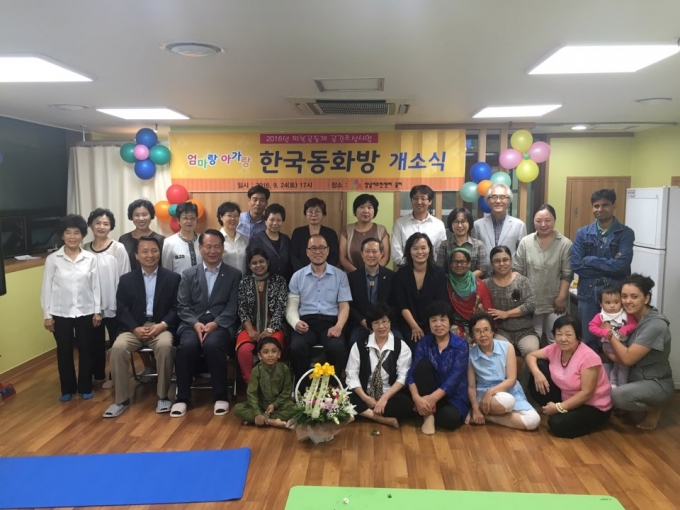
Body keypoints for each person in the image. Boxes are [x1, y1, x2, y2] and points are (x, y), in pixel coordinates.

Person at [103, 236, 181, 418]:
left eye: (154, 250)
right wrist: (134, 328)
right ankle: (121, 400)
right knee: (118, 348)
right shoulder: (126, 279)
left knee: (165, 346)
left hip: (161, 327)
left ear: (159, 253)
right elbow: (121, 308)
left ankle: (163, 396)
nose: (150, 255)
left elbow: (177, 307)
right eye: (145, 251)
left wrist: (162, 325)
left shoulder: (172, 278)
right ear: (136, 255)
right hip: (134, 327)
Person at [171, 229, 242, 417]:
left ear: (223, 248)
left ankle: (221, 395)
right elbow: (182, 305)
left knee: (212, 344)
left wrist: (216, 324)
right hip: (192, 323)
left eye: (217, 246)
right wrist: (195, 324)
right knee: (186, 346)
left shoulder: (234, 274)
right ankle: (182, 398)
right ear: (200, 248)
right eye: (208, 247)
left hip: (221, 324)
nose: (213, 251)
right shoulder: (188, 274)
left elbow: (232, 307)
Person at [41, 214, 101, 401]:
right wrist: (47, 315)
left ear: (82, 235)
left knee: (86, 349)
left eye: (76, 233)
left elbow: (96, 286)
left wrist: (97, 310)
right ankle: (67, 389)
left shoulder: (90, 258)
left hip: (86, 311)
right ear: (62, 235)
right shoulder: (53, 259)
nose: (72, 237)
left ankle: (85, 387)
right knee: (64, 351)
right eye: (68, 232)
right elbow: (46, 288)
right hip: (60, 312)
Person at [526, 315, 612, 439]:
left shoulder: (589, 357)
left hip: (593, 405)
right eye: (559, 334)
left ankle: (568, 415)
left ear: (578, 336)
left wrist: (559, 407)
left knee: (555, 424)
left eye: (568, 335)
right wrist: (537, 374)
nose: (563, 339)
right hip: (566, 396)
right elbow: (531, 356)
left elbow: (587, 393)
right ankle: (556, 410)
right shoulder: (556, 348)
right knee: (540, 365)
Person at [571, 189, 635, 351]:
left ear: (614, 205)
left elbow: (622, 265)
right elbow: (576, 265)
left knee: (616, 338)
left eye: (605, 205)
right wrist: (610, 266)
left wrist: (590, 260)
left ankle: (612, 368)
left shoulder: (625, 233)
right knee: (588, 340)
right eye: (596, 206)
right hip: (588, 293)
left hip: (615, 294)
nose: (600, 209)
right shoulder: (583, 233)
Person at [608, 275, 673, 430]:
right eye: (624, 296)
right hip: (631, 374)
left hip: (655, 382)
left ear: (646, 298)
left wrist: (608, 334)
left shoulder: (656, 324)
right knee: (596, 370)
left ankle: (654, 409)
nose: (628, 301)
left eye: (634, 296)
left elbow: (627, 359)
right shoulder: (626, 317)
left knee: (618, 395)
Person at [286, 234, 352, 383]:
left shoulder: (340, 276)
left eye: (322, 248)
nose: (318, 251)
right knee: (296, 347)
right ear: (307, 252)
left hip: (331, 323)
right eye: (313, 248)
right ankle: (303, 388)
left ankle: (332, 389)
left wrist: (339, 326)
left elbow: (344, 306)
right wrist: (296, 323)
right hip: (305, 322)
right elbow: (291, 307)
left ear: (327, 251)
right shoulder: (297, 276)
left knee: (338, 348)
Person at [466, 312, 540, 430]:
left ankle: (488, 417)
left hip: (509, 390)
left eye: (486, 330)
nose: (483, 335)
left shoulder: (507, 347)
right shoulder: (470, 354)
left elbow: (511, 380)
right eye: (477, 331)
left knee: (534, 420)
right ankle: (480, 410)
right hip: (486, 397)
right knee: (507, 402)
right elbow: (471, 386)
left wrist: (491, 392)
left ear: (492, 331)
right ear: (472, 335)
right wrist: (475, 407)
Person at [345, 303, 413, 429]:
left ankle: (364, 412)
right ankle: (380, 418)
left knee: (407, 404)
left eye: (384, 321)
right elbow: (351, 375)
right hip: (365, 392)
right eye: (376, 323)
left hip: (389, 395)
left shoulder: (401, 347)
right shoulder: (359, 345)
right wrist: (365, 398)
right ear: (371, 325)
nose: (381, 326)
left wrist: (384, 399)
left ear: (390, 322)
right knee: (344, 397)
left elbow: (402, 377)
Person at [407, 301, 470, 434]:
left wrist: (432, 399)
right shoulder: (424, 343)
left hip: (452, 397)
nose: (438, 324)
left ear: (450, 322)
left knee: (451, 419)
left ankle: (424, 410)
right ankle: (428, 416)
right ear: (429, 323)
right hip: (427, 392)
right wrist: (416, 397)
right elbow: (412, 373)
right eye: (434, 320)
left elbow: (455, 378)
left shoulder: (461, 345)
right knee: (422, 366)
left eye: (443, 320)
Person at [513, 204, 573, 344]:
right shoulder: (526, 242)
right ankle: (537, 359)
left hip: (555, 299)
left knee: (556, 336)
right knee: (534, 335)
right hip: (531, 299)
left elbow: (567, 274)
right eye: (538, 221)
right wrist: (519, 296)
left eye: (548, 220)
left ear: (554, 220)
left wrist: (561, 297)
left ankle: (556, 359)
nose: (543, 224)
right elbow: (517, 270)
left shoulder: (565, 244)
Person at [85, 208, 131, 384]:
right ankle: (98, 374)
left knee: (116, 342)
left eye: (106, 223)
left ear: (111, 227)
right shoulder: (84, 248)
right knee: (94, 342)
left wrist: (123, 304)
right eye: (97, 223)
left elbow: (125, 277)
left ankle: (116, 376)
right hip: (91, 305)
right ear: (91, 225)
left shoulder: (118, 248)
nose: (101, 227)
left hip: (114, 303)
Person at [236, 248, 288, 384]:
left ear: (268, 262)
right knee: (244, 349)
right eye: (254, 263)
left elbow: (280, 309)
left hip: (274, 327)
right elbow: (242, 309)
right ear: (249, 265)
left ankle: (271, 385)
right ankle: (251, 385)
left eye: (261, 261)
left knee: (271, 349)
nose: (258, 265)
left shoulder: (279, 281)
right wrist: (250, 330)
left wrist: (269, 330)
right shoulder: (244, 283)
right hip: (249, 327)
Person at [394, 233, 448, 349]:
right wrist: (414, 326)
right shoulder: (401, 274)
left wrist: (434, 325)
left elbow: (441, 304)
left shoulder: (439, 274)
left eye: (423, 248)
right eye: (415, 248)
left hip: (433, 323)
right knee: (412, 345)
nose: (420, 252)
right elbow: (402, 305)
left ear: (429, 250)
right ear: (409, 251)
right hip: (408, 324)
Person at [484, 245, 539, 360]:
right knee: (499, 350)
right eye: (497, 261)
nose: (501, 264)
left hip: (525, 329)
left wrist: (506, 314)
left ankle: (524, 374)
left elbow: (531, 303)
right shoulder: (486, 284)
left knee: (531, 350)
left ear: (511, 261)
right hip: (500, 330)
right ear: (492, 264)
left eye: (505, 259)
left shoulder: (522, 281)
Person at [233, 337, 295, 428]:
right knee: (237, 408)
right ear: (260, 356)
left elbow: (286, 392)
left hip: (277, 405)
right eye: (266, 352)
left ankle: (259, 420)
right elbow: (252, 393)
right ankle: (271, 421)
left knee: (294, 408)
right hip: (260, 405)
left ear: (279, 354)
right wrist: (257, 412)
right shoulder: (256, 371)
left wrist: (274, 404)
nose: (270, 355)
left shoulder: (284, 369)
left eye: (274, 351)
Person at [347, 237, 398, 347]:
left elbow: (395, 303)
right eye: (367, 251)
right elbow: (350, 305)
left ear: (381, 254)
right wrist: (362, 321)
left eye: (374, 251)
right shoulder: (352, 277)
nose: (371, 255)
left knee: (397, 342)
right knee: (354, 342)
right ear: (362, 254)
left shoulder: (391, 276)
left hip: (386, 323)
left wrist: (383, 322)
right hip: (361, 324)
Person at [589, 286, 638, 388]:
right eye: (608, 302)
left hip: (622, 343)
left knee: (617, 365)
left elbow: (634, 325)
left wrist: (625, 329)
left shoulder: (625, 314)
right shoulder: (601, 316)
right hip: (608, 345)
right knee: (623, 366)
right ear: (601, 303)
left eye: (616, 302)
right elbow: (592, 327)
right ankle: (621, 386)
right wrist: (604, 332)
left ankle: (613, 384)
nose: (612, 306)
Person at [391, 185, 447, 268]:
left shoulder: (438, 224)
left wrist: (431, 267)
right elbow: (396, 250)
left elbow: (441, 251)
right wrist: (409, 266)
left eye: (423, 199)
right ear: (411, 200)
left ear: (430, 201)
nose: (419, 202)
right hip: (406, 269)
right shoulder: (400, 223)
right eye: (415, 198)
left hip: (432, 270)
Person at [446, 247, 493, 343]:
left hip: (476, 324)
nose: (459, 265)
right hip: (453, 324)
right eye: (455, 261)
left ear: (469, 264)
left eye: (462, 262)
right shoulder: (445, 283)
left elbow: (486, 310)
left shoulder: (478, 284)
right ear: (450, 264)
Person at [472, 183, 527, 260]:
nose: (498, 201)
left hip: (510, 268)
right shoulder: (477, 225)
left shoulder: (519, 225)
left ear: (508, 201)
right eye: (494, 197)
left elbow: (522, 255)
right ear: (488, 201)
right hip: (484, 268)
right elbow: (474, 253)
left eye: (502, 197)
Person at [340, 194, 390, 272]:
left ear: (374, 211)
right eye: (361, 207)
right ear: (355, 210)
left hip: (376, 275)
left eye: (370, 207)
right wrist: (359, 274)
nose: (366, 211)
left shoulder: (381, 230)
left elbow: (385, 257)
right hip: (352, 275)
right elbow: (342, 258)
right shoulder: (347, 230)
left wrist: (372, 272)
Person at [290, 198, 339, 271]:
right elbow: (293, 256)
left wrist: (323, 271)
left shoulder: (331, 233)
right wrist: (304, 272)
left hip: (325, 273)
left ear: (323, 214)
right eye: (310, 211)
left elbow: (334, 256)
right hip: (301, 273)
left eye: (317, 211)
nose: (313, 214)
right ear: (305, 213)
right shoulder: (298, 232)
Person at [438, 207, 489, 277]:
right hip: (449, 282)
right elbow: (440, 269)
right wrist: (453, 280)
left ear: (469, 223)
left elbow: (482, 269)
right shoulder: (444, 245)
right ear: (451, 224)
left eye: (463, 222)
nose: (459, 225)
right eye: (456, 222)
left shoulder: (478, 245)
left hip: (472, 282)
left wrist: (464, 280)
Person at [247, 203, 292, 281]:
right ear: (265, 221)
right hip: (263, 283)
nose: (275, 223)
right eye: (271, 219)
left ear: (282, 221)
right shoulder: (256, 239)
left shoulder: (286, 239)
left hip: (285, 283)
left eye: (278, 220)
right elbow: (252, 264)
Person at [118, 199, 165, 271]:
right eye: (136, 215)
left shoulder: (161, 240)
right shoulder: (123, 239)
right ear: (131, 217)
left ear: (151, 215)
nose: (141, 218)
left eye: (144, 214)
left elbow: (164, 265)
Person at [162, 201, 202, 275]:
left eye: (192, 218)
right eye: (185, 218)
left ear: (196, 220)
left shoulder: (203, 240)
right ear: (178, 220)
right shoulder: (169, 242)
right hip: (179, 282)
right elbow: (166, 270)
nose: (189, 221)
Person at [217, 201, 248, 275]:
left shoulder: (244, 239)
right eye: (229, 215)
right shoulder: (216, 239)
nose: (233, 218)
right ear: (221, 217)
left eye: (236, 215)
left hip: (243, 279)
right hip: (224, 279)